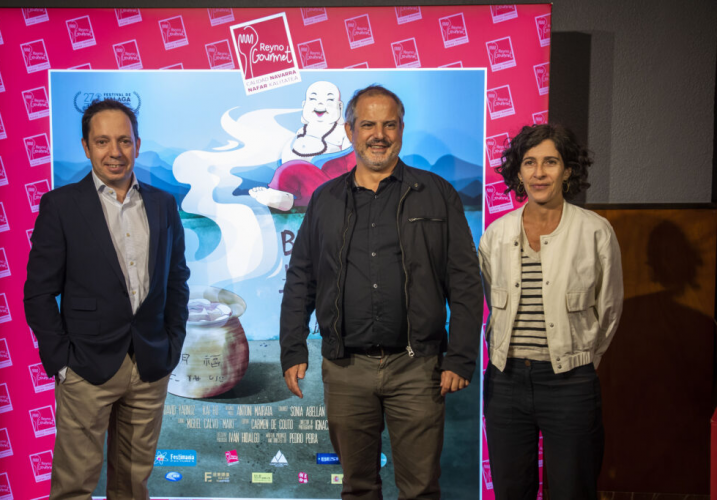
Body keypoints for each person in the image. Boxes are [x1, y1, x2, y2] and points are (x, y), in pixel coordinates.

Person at [279, 84, 483, 499]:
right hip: (346, 368)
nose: (379, 134)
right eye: (368, 124)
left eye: (389, 124)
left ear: (401, 130)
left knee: (421, 489)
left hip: (418, 367)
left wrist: (460, 357)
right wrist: (292, 349)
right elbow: (301, 276)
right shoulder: (324, 200)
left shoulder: (437, 193)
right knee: (357, 488)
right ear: (350, 130)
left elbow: (464, 280)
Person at [24, 99, 190, 499]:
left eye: (124, 141)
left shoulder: (163, 204)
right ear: (85, 146)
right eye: (102, 142)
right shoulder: (61, 206)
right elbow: (39, 292)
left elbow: (177, 280)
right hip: (85, 366)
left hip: (149, 364)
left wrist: (171, 345)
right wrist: (61, 361)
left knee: (133, 484)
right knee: (74, 485)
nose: (115, 152)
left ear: (137, 143)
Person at [479, 124, 623, 499]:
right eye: (529, 163)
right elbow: (488, 302)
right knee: (511, 490)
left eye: (550, 162)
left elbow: (608, 310)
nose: (539, 173)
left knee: (572, 490)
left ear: (568, 170)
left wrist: (585, 359)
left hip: (570, 382)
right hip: (505, 380)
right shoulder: (496, 233)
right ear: (518, 171)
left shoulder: (595, 231)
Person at [249, 80, 354, 211]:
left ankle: (284, 199)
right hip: (300, 186)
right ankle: (283, 199)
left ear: (339, 107)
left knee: (294, 168)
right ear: (304, 105)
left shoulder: (342, 132)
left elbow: (351, 160)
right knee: (288, 172)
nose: (320, 104)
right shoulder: (300, 133)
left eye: (329, 100)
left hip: (329, 186)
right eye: (313, 99)